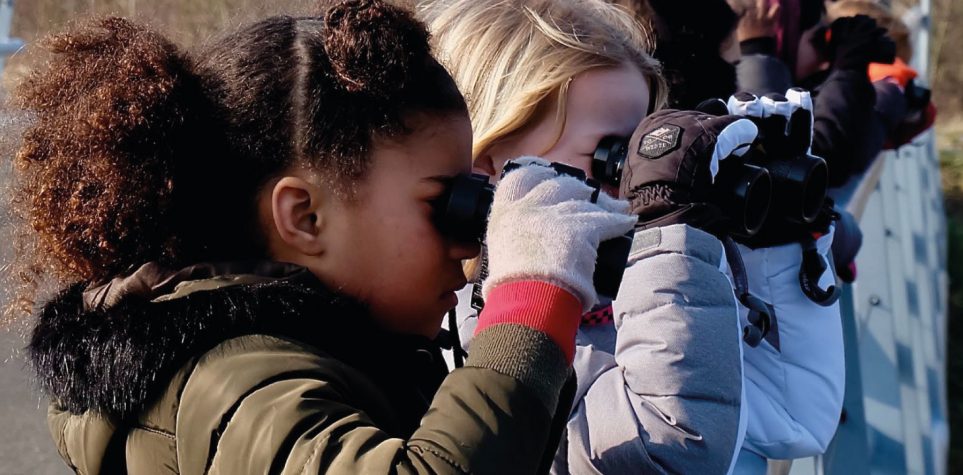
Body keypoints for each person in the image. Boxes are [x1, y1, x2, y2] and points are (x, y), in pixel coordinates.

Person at [8, 1, 637, 472]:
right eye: (442, 202)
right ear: (305, 218)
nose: (468, 241)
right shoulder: (238, 385)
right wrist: (534, 295)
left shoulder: (327, 356)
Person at [418, 0, 751, 472]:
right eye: (608, 156)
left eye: (641, 152)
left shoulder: (620, 297)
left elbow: (790, 415)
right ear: (488, 171)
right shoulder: (485, 338)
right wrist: (670, 226)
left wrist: (787, 243)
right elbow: (668, 449)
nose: (635, 185)